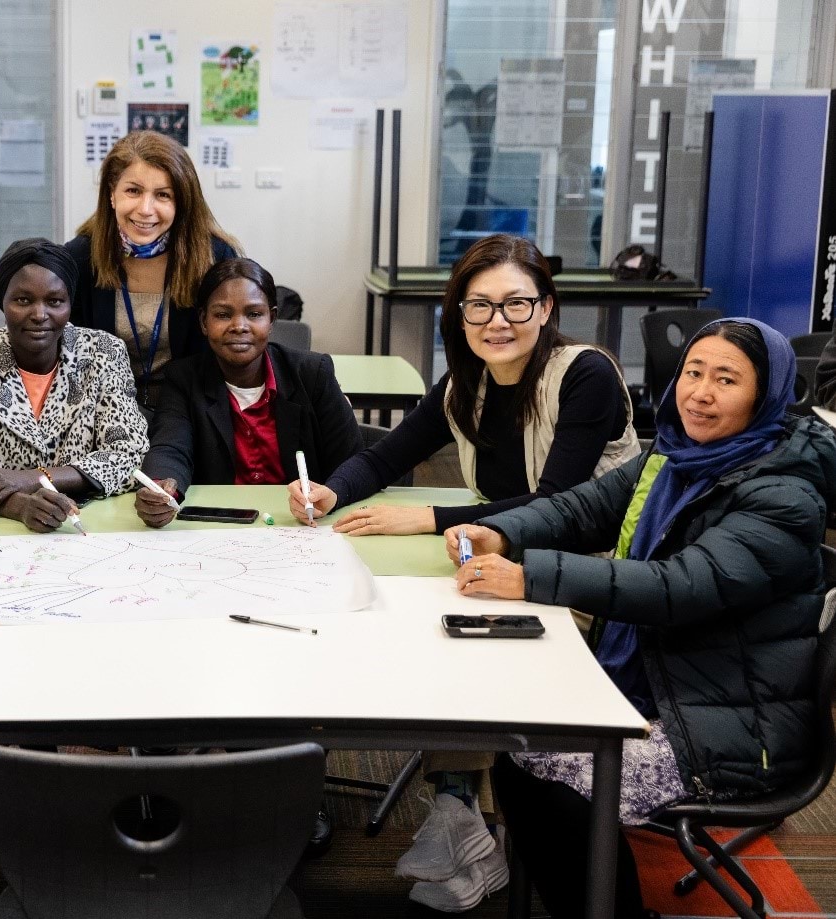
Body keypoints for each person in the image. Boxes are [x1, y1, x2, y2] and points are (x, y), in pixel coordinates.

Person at [285, 233, 640, 911]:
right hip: (499, 555)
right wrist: (332, 490)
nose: (497, 322)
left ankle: (458, 811)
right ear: (459, 315)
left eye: (515, 304)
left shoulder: (584, 373)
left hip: (585, 572)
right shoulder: (464, 382)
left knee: (462, 641)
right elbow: (388, 454)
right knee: (421, 624)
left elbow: (562, 505)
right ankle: (462, 818)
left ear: (546, 307)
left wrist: (427, 517)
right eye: (479, 307)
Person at [450, 318, 836, 918]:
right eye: (693, 372)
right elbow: (584, 509)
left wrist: (530, 577)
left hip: (730, 730)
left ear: (766, 396)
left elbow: (678, 588)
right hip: (673, 685)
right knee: (517, 747)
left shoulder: (784, 493)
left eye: (727, 379)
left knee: (548, 782)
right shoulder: (677, 454)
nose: (700, 393)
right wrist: (500, 532)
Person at [0, 238, 150, 533]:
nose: (40, 314)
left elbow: (127, 452)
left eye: (54, 301)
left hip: (90, 524)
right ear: (1, 301)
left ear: (69, 304)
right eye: (23, 300)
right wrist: (17, 505)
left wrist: (31, 477)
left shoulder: (103, 351)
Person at [136, 257, 361, 526]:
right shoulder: (184, 378)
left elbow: (352, 463)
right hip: (220, 529)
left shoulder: (312, 374)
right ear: (204, 321)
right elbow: (170, 448)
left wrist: (332, 494)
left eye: (254, 314)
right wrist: (161, 488)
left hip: (303, 526)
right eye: (222, 314)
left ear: (272, 319)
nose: (239, 326)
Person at [66, 130, 241, 407]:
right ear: (112, 193)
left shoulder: (215, 258)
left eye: (163, 195)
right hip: (101, 408)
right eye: (133, 191)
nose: (146, 209)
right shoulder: (78, 259)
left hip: (188, 408)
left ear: (181, 201)